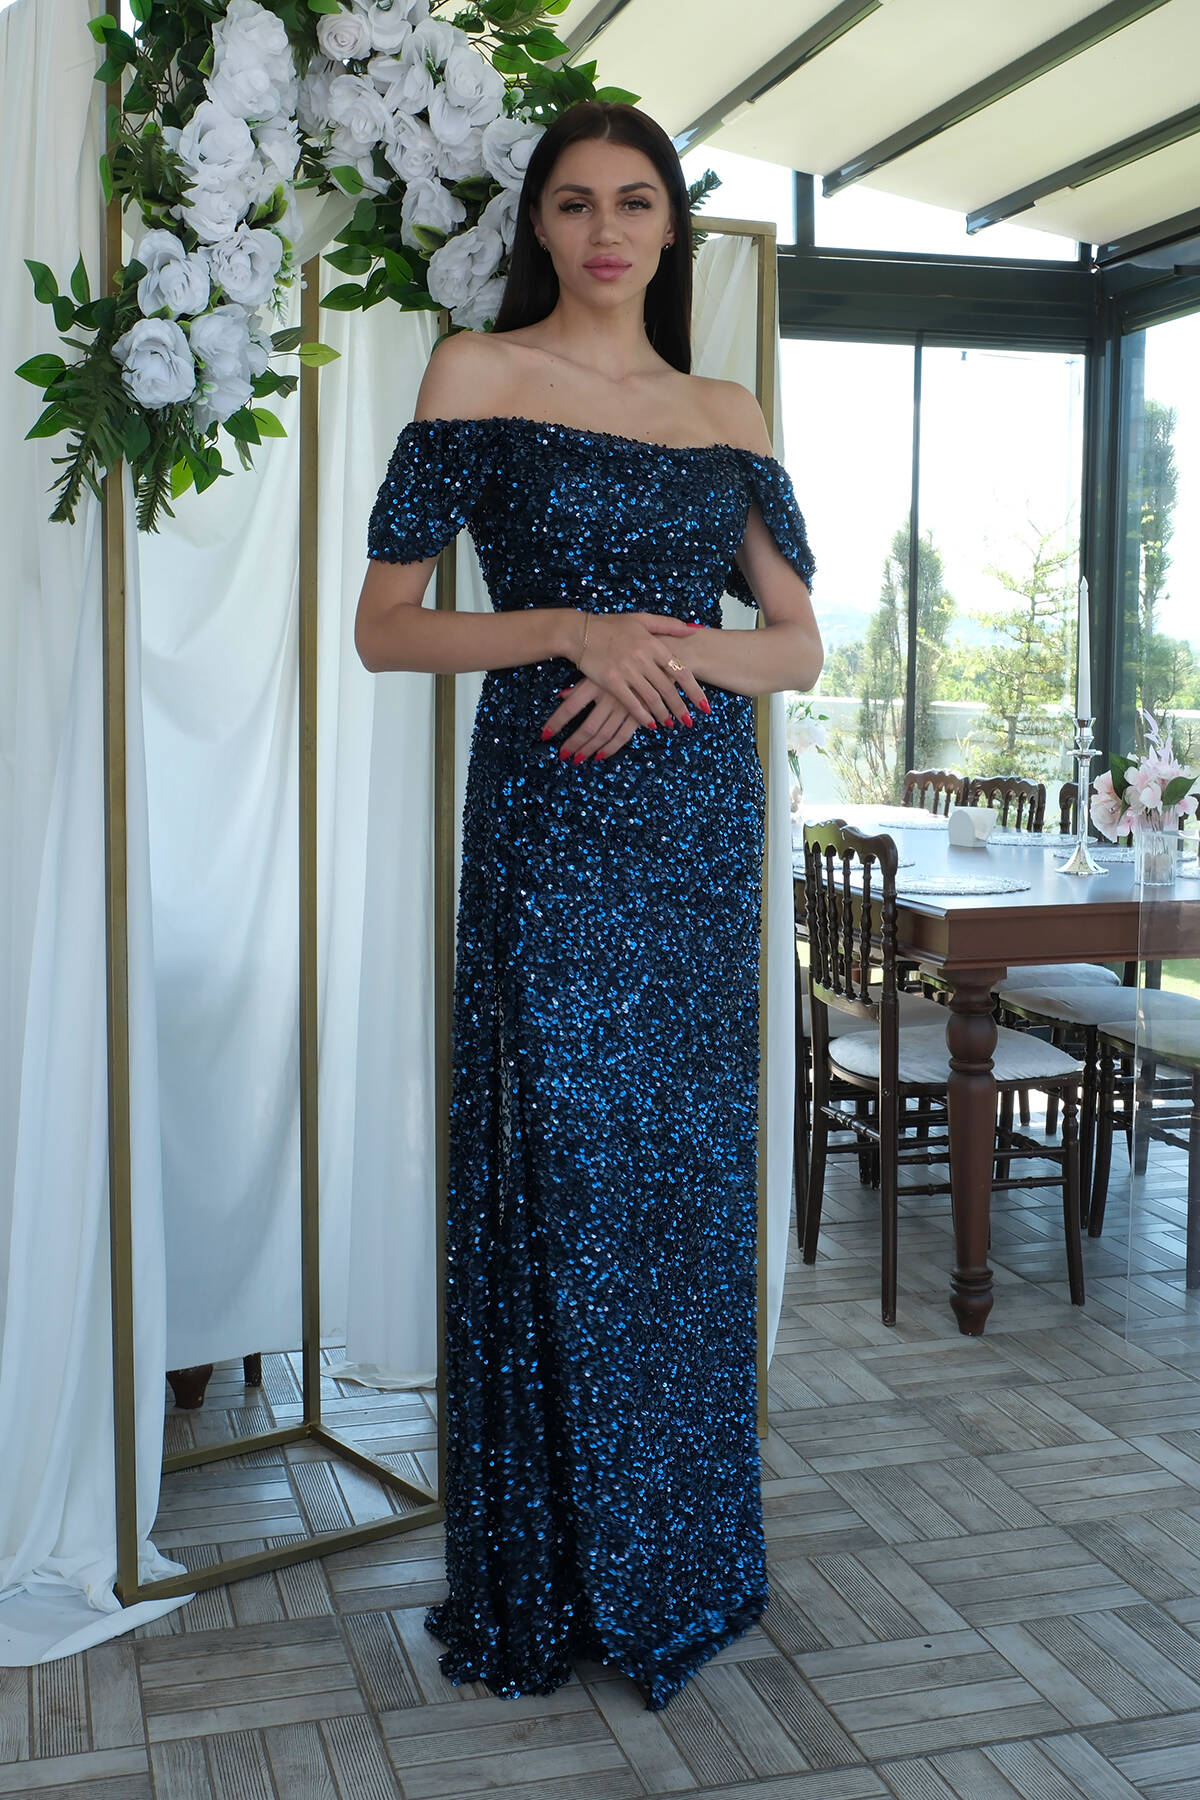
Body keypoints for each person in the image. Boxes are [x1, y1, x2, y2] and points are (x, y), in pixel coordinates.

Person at [355, 99, 822, 1711]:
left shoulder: (723, 409)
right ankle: (554, 1573)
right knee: (563, 1169)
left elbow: (796, 645)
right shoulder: (476, 376)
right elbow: (387, 629)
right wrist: (570, 628)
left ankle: (682, 1557)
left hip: (690, 834)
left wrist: (664, 656)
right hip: (551, 817)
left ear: (671, 228)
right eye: (574, 203)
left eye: (634, 201)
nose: (606, 229)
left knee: (682, 1184)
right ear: (537, 226)